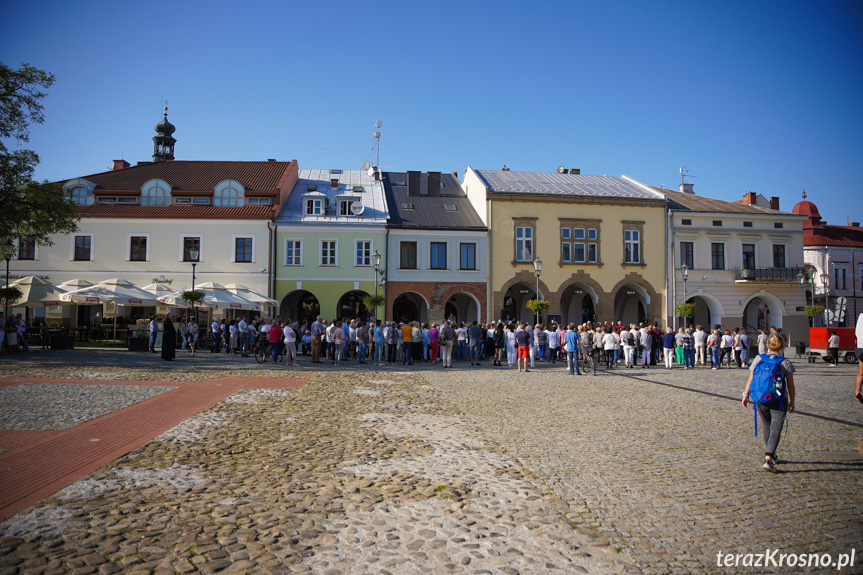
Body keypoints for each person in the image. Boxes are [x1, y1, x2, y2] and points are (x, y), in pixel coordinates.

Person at [741, 334, 796, 473]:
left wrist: (745, 395)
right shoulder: (785, 362)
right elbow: (791, 386)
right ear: (782, 346)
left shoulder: (759, 359)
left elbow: (750, 379)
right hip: (778, 399)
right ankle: (768, 458)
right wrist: (792, 402)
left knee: (767, 426)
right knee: (776, 428)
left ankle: (771, 454)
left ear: (768, 345)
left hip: (760, 398)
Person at [855, 313, 863, 403]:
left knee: (861, 371)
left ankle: (859, 392)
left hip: (861, 347)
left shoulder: (861, 316)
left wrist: (858, 390)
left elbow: (861, 374)